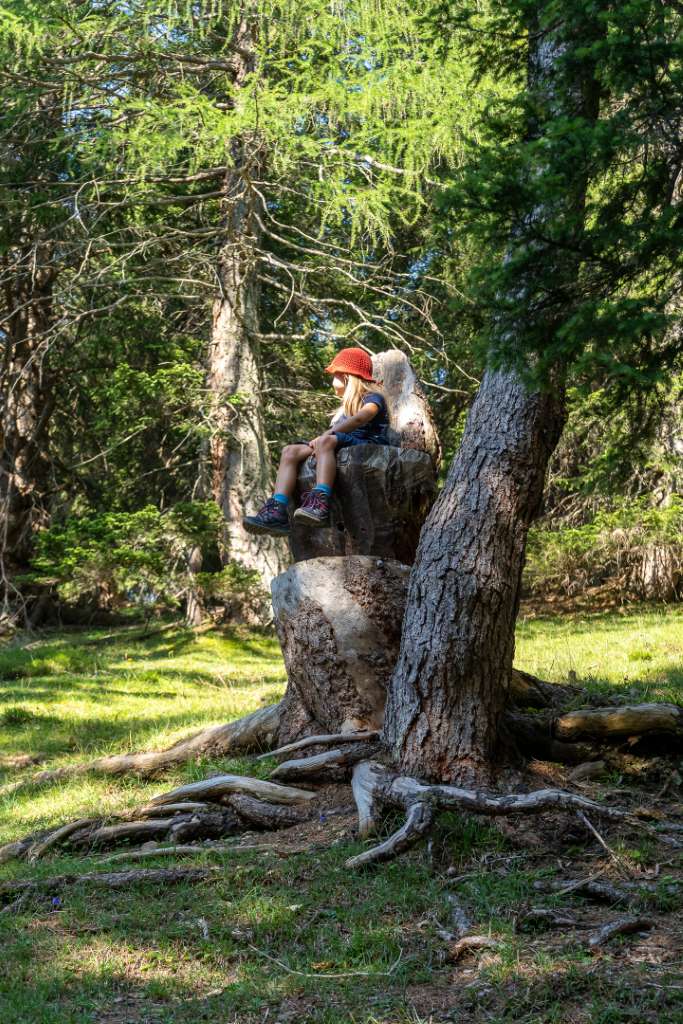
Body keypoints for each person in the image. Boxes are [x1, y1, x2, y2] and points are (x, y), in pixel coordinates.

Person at [243, 347, 390, 534]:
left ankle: (320, 502)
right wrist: (325, 437)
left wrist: (326, 435)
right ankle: (277, 510)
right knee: (290, 451)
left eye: (335, 374)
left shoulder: (372, 397)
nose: (331, 380)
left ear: (346, 376)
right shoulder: (343, 410)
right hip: (343, 441)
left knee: (324, 442)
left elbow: (361, 418)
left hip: (369, 445)